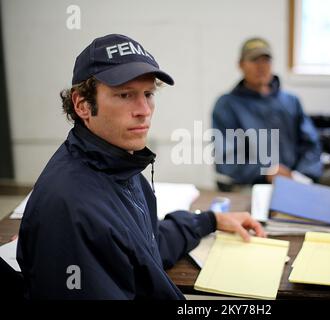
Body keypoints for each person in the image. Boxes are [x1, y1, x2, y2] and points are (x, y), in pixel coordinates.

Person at [17, 34, 265, 300]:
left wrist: (210, 220)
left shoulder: (118, 162)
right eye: (125, 94)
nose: (144, 109)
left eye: (148, 94)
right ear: (82, 105)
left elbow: (147, 246)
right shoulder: (71, 210)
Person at [212, 37, 323, 189]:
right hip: (252, 185)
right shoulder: (227, 105)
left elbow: (311, 145)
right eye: (254, 61)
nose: (261, 67)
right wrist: (267, 172)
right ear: (240, 65)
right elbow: (226, 158)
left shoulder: (291, 102)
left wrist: (301, 175)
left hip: (296, 181)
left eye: (266, 60)